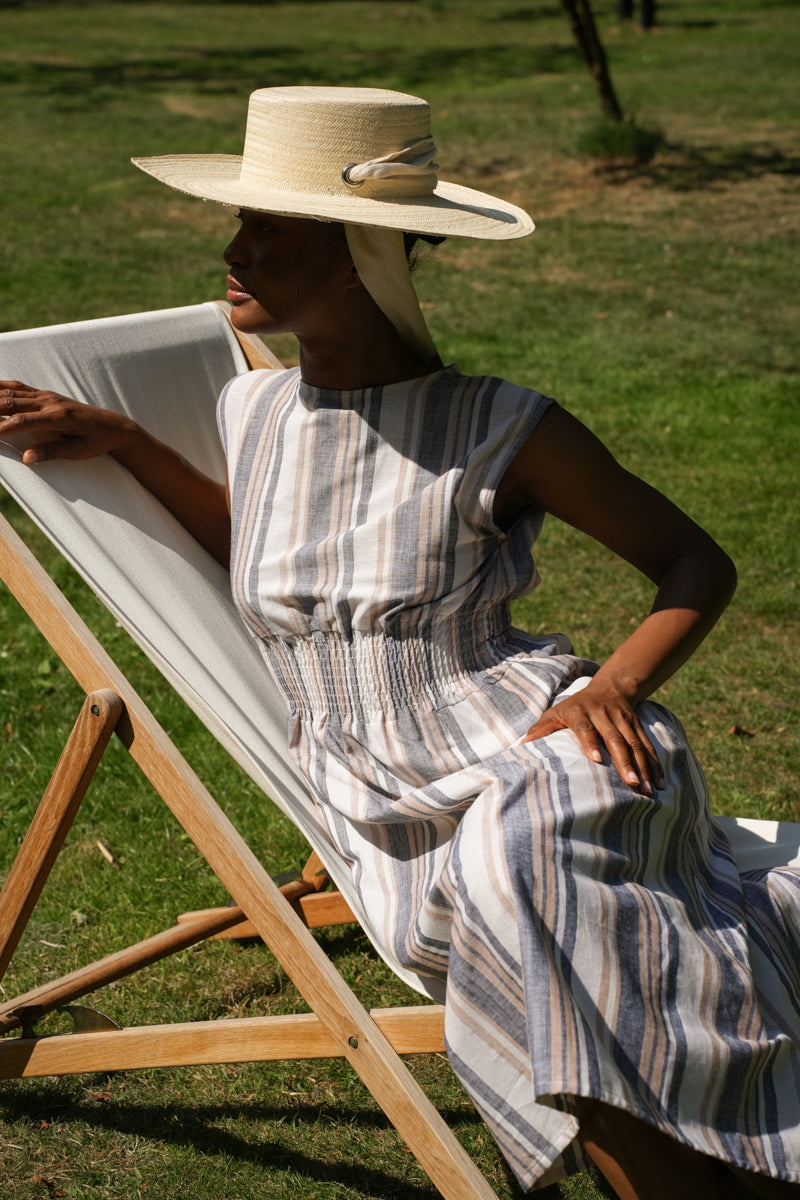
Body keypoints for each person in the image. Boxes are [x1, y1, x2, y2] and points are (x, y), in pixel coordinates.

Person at [1, 86, 798, 1199]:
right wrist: (131, 443)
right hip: (384, 797)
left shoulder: (504, 425)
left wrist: (613, 686)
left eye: (268, 228)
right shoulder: (253, 412)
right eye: (240, 222)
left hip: (541, 744)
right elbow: (282, 561)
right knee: (537, 910)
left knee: (524, 879)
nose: (234, 250)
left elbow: (694, 562)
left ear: (358, 257)